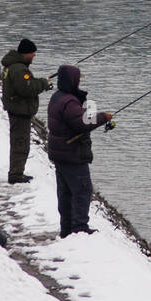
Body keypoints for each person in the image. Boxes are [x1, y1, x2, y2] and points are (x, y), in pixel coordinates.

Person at [46, 65, 113, 237]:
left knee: (65, 192)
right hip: (72, 154)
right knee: (82, 190)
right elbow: (82, 124)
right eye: (78, 79)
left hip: (60, 152)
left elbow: (78, 118)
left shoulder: (57, 97)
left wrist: (85, 105)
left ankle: (67, 228)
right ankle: (79, 228)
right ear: (71, 80)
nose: (79, 81)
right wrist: (103, 117)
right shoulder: (69, 101)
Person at [1, 38, 52, 184]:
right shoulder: (19, 69)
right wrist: (43, 83)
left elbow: (27, 84)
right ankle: (16, 175)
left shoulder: (14, 67)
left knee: (19, 143)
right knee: (20, 144)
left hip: (17, 111)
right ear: (26, 53)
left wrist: (41, 83)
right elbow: (26, 89)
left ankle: (17, 172)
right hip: (19, 113)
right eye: (33, 52)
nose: (34, 55)